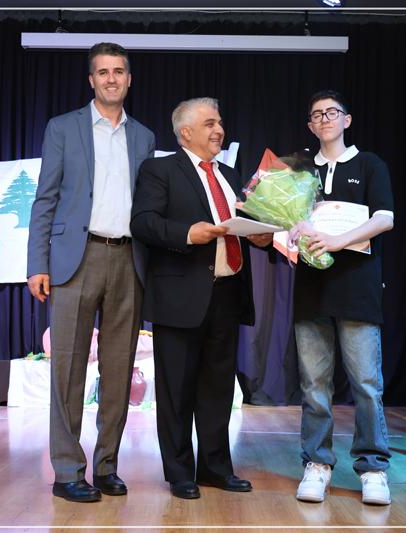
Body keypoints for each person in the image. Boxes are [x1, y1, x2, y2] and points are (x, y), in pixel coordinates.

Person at [26, 42, 156, 503]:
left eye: (118, 71)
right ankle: (66, 471)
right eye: (103, 72)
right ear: (91, 80)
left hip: (128, 259)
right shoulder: (62, 128)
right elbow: (45, 199)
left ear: (129, 79)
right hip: (74, 259)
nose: (111, 79)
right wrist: (37, 263)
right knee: (67, 369)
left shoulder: (144, 137)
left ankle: (106, 467)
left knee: (119, 370)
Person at [130, 97, 273, 500]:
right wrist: (187, 234)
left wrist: (261, 237)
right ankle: (179, 473)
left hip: (227, 293)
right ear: (185, 132)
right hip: (179, 296)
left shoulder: (229, 174)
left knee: (217, 389)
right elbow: (143, 223)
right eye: (210, 123)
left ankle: (215, 469)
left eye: (220, 122)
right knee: (176, 390)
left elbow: (243, 227)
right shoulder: (159, 170)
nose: (219, 130)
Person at [290, 89, 395, 506]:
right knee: (314, 384)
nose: (325, 119)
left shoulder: (369, 164)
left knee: (367, 384)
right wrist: (289, 230)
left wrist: (337, 240)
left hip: (358, 288)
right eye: (317, 115)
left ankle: (373, 467)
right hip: (311, 290)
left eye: (332, 112)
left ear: (346, 120)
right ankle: (317, 463)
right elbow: (284, 220)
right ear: (310, 125)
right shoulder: (299, 171)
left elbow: (385, 218)